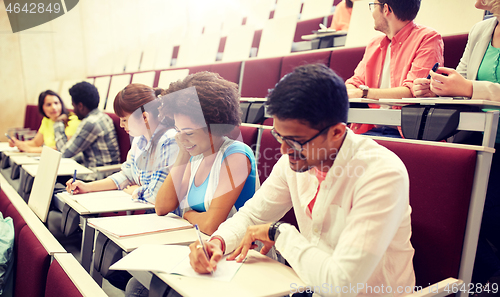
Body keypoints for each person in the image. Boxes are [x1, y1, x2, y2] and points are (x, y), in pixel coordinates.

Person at [188, 64, 415, 296]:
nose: (285, 150)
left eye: (295, 141)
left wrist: (279, 233)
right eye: (278, 136)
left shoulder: (381, 174)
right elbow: (254, 215)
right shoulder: (296, 160)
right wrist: (217, 243)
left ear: (336, 132)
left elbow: (342, 284)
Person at [125, 72, 257, 297]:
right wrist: (183, 154)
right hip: (204, 249)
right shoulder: (196, 153)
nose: (181, 139)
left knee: (145, 291)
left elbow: (210, 225)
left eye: (188, 132)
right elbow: (163, 206)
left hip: (235, 257)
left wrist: (186, 213)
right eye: (178, 131)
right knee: (136, 286)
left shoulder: (236, 155)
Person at [413, 0, 500, 290]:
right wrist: (438, 86)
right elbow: (461, 80)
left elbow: (469, 87)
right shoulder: (481, 29)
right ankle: (480, 279)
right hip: (476, 140)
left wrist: (469, 88)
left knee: (485, 212)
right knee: (445, 207)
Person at [66, 83, 178, 204]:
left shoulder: (168, 141)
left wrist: (135, 191)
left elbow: (156, 195)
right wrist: (88, 187)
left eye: (124, 119)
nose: (121, 124)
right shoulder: (139, 139)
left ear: (144, 117)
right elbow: (126, 175)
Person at [345, 0, 444, 136]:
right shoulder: (374, 44)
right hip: (370, 129)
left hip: (405, 133)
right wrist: (353, 91)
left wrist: (364, 93)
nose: (372, 12)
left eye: (373, 6)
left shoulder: (428, 38)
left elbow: (412, 92)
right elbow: (354, 83)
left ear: (386, 9)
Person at [54, 81, 120, 176]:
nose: (73, 110)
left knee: (54, 178)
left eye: (73, 105)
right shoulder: (102, 117)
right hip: (102, 172)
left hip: (97, 176)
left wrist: (58, 124)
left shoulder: (90, 123)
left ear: (80, 106)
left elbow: (63, 154)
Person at [8, 90, 80, 153]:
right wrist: (18, 143)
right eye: (48, 105)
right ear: (42, 107)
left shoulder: (72, 119)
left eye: (56, 103)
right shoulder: (47, 120)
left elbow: (62, 148)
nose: (54, 107)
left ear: (61, 104)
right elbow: (36, 143)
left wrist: (30, 150)